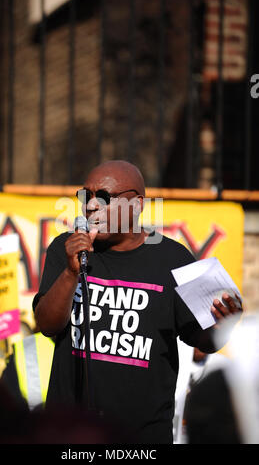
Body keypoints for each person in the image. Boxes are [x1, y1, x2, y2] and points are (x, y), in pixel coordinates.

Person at [33, 160, 242, 444]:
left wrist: (222, 323)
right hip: (69, 433)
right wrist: (72, 271)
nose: (92, 205)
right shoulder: (66, 248)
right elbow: (47, 324)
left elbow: (203, 340)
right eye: (86, 196)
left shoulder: (174, 259)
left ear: (136, 204)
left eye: (104, 197)